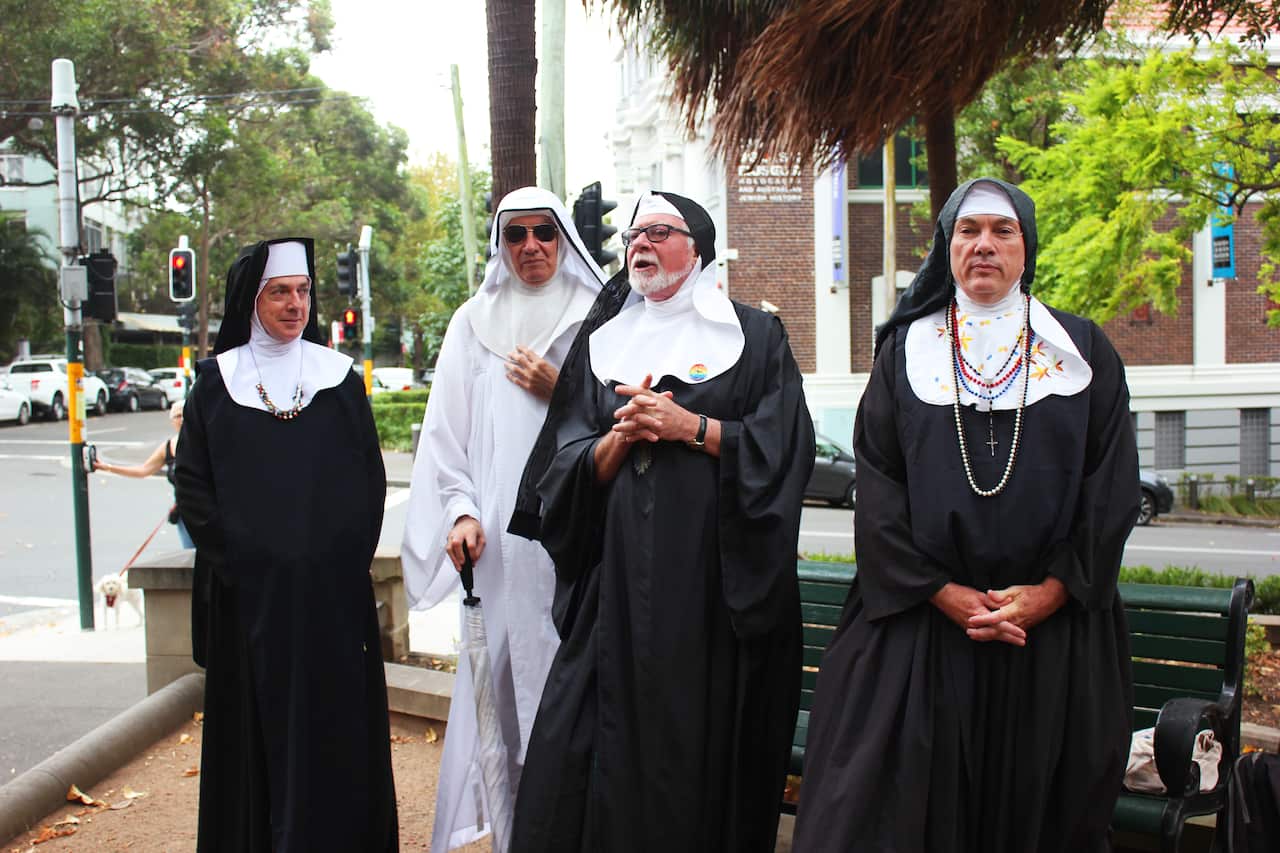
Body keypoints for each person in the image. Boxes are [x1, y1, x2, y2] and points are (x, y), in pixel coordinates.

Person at [792, 178, 1139, 853]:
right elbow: (880, 488)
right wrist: (942, 593)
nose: (983, 245)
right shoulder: (903, 354)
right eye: (967, 231)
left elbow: (1111, 489)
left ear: (1025, 247)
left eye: (1001, 231)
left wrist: (1049, 593)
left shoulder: (1084, 353)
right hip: (923, 629)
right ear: (948, 247)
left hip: (1049, 637)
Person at [506, 190, 815, 853]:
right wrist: (616, 440)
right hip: (614, 590)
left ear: (696, 248)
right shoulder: (603, 344)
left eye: (657, 232)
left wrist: (691, 427)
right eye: (634, 236)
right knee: (576, 745)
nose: (640, 244)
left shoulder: (756, 337)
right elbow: (561, 462)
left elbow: (787, 448)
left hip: (713, 591)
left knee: (698, 754)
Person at [175, 238, 397, 852]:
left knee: (337, 732)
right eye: (280, 291)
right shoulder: (217, 386)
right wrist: (248, 560)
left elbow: (367, 481)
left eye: (303, 291)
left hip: (332, 599)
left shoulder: (339, 379)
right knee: (256, 739)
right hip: (250, 600)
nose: (296, 304)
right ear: (252, 298)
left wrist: (336, 560)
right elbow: (194, 487)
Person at [400, 186, 605, 853]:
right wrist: (458, 512)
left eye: (543, 232)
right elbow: (443, 438)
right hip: (496, 551)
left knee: (571, 695)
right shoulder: (473, 323)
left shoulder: (596, 316)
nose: (531, 247)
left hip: (574, 549)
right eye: (514, 235)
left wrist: (561, 389)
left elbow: (625, 422)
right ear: (501, 244)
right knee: (503, 703)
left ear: (563, 237)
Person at [96, 400, 194, 548]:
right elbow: (143, 470)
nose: (182, 419)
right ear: (172, 421)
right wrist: (107, 467)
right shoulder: (167, 447)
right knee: (190, 556)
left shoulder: (202, 443)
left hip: (208, 510)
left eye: (185, 415)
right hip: (183, 512)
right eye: (177, 416)